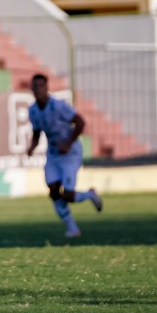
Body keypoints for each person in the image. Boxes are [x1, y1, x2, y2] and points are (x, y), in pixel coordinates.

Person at [26, 73, 102, 238]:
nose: (38, 89)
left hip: (71, 153)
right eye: (35, 86)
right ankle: (73, 229)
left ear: (47, 88)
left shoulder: (59, 106)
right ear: (31, 89)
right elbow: (37, 133)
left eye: (41, 86)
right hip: (53, 154)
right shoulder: (32, 111)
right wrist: (32, 147)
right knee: (53, 192)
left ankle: (89, 195)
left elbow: (80, 122)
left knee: (67, 194)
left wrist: (68, 142)